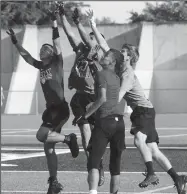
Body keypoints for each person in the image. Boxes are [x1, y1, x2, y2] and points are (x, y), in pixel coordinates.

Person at [85, 9, 187, 193]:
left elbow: (119, 95)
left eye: (123, 51)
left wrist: (103, 109)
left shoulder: (128, 74)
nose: (120, 52)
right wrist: (92, 23)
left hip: (143, 111)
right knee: (153, 150)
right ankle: (177, 177)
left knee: (139, 140)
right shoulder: (118, 64)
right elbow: (103, 44)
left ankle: (150, 173)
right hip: (144, 111)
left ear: (129, 57)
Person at [6, 10, 79, 194]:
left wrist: (54, 22)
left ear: (52, 53)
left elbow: (56, 41)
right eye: (41, 49)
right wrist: (15, 41)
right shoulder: (41, 65)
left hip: (60, 109)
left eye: (45, 48)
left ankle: (69, 139)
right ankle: (54, 182)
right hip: (51, 110)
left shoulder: (57, 62)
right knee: (48, 148)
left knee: (41, 136)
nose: (42, 50)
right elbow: (26, 56)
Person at [56, 2, 105, 186]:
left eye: (93, 38)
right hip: (80, 98)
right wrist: (62, 16)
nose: (89, 41)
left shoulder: (100, 53)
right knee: (85, 134)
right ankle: (91, 164)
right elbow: (69, 34)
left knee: (97, 137)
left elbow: (88, 38)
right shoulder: (81, 50)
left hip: (95, 99)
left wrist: (79, 23)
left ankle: (98, 163)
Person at [75, 49, 126, 194]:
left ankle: (92, 191)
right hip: (119, 123)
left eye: (107, 56)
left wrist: (85, 115)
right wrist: (92, 62)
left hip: (105, 122)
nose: (103, 56)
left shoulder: (102, 74)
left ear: (113, 62)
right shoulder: (115, 76)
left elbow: (102, 98)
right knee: (115, 167)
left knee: (93, 162)